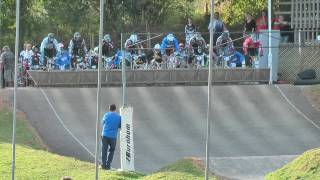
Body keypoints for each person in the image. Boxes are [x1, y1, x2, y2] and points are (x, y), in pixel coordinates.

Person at [101, 104, 121, 170]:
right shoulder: (119, 117)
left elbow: (103, 123)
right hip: (113, 136)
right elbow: (120, 126)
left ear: (109, 109)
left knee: (104, 150)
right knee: (111, 150)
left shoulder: (106, 115)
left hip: (105, 135)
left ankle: (103, 165)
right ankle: (108, 165)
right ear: (115, 109)